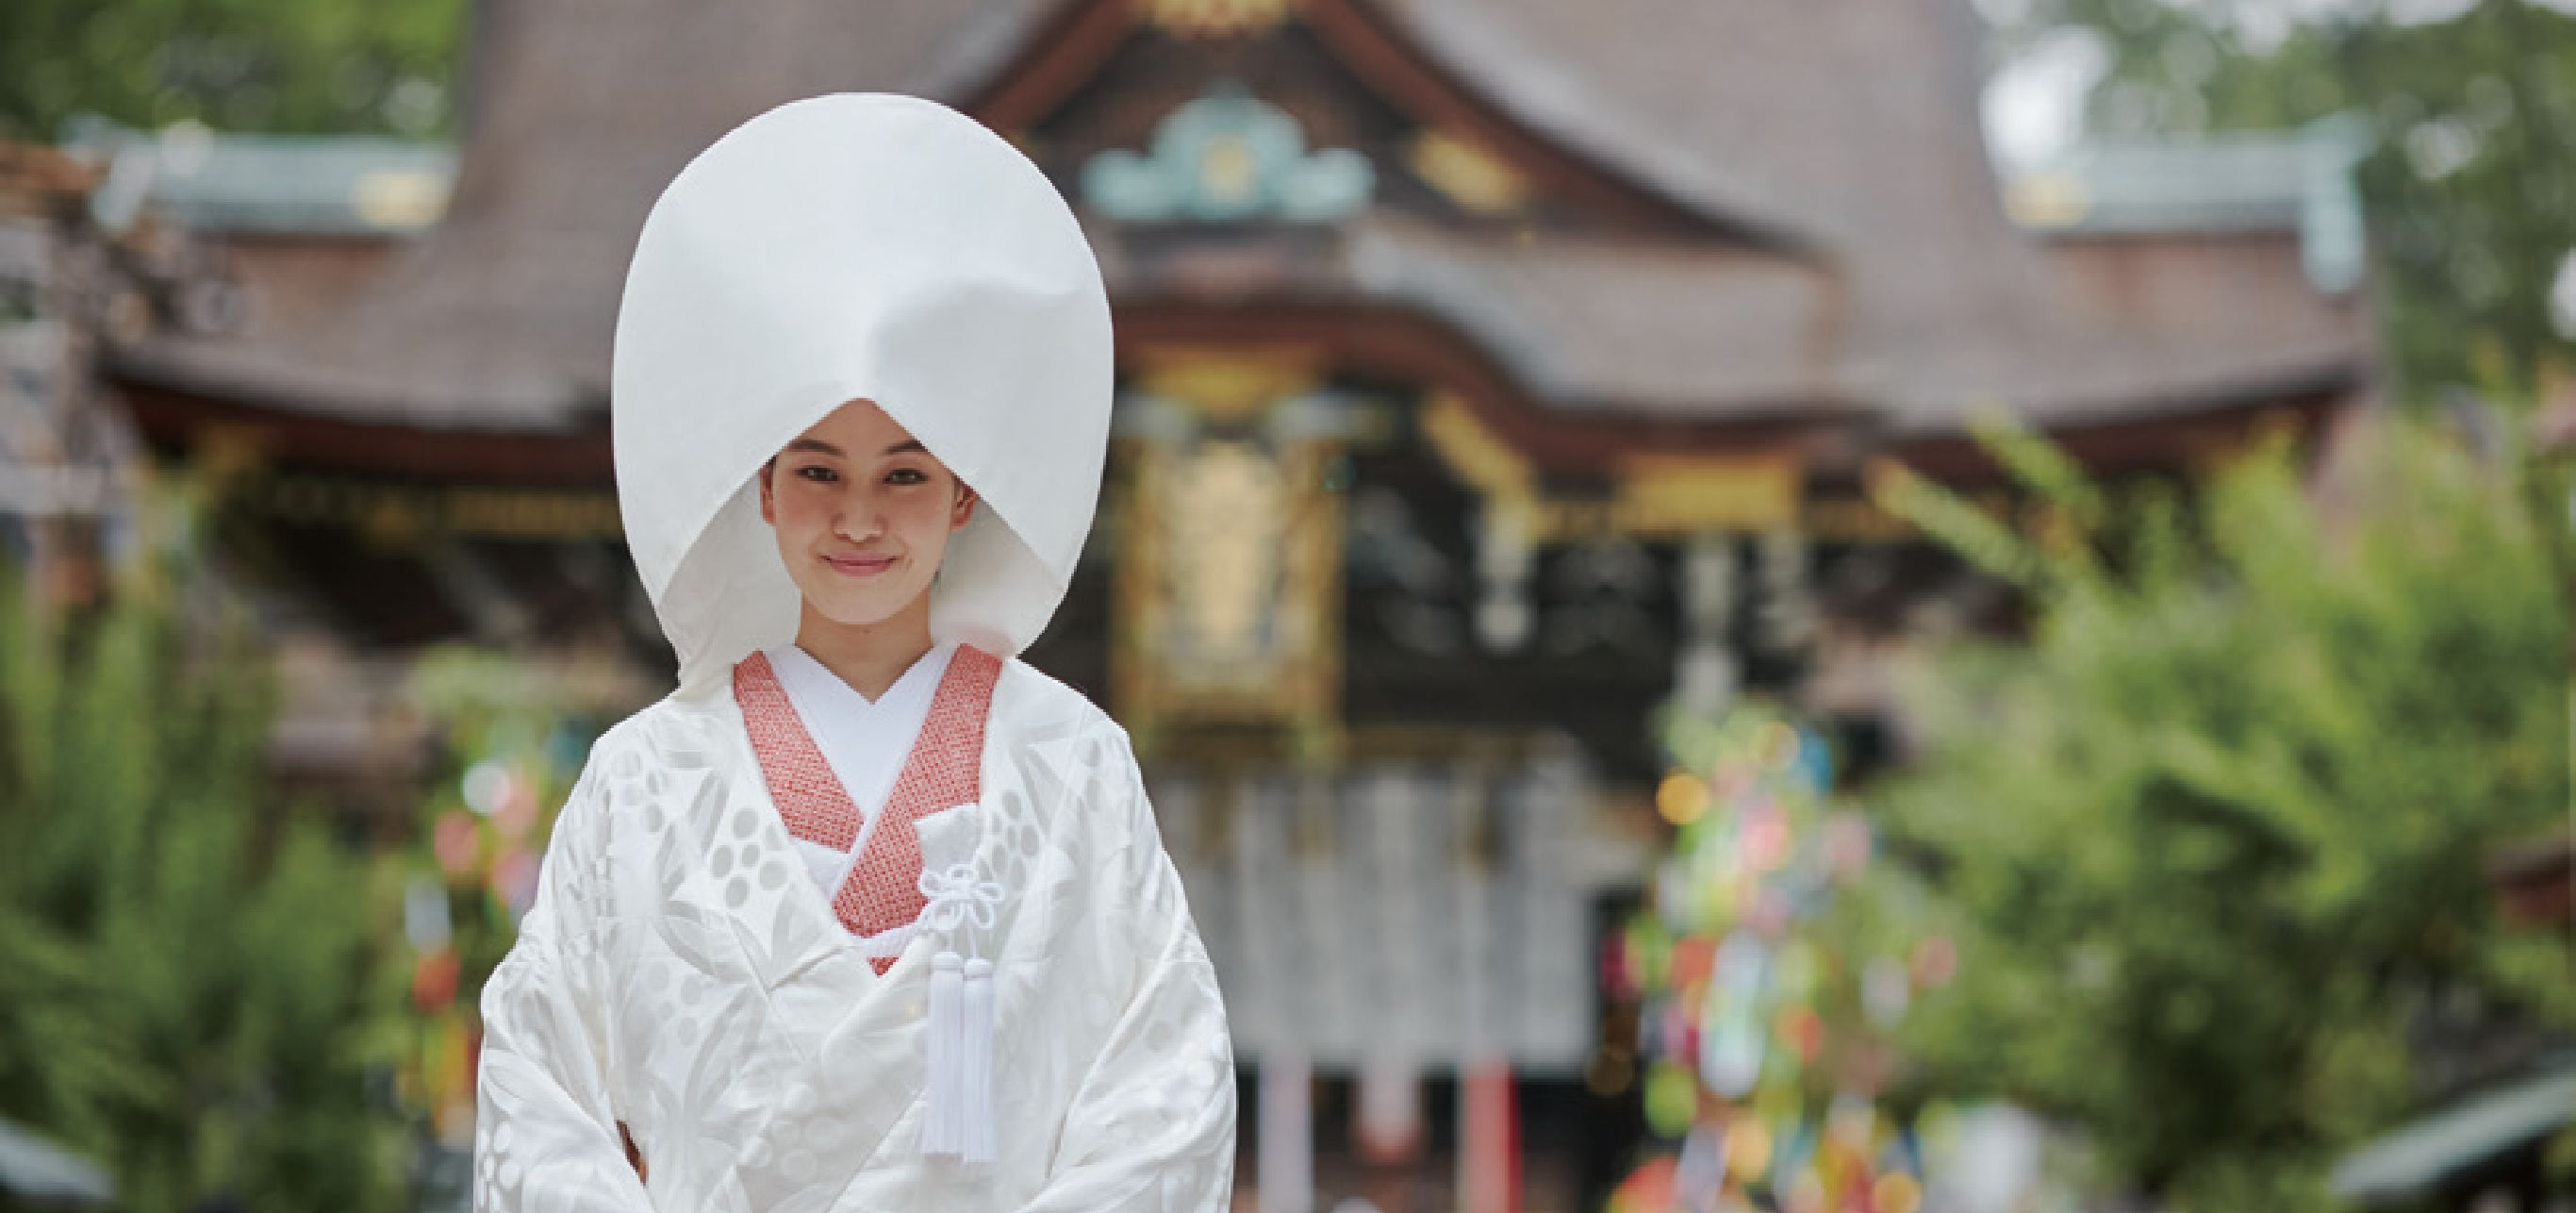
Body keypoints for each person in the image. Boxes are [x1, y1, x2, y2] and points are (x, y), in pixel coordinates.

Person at [471, 94, 1238, 1212]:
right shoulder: (644, 778)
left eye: (907, 473)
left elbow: (1165, 1088)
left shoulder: (1070, 764)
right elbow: (539, 1093)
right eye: (819, 470)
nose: (861, 517)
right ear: (764, 492)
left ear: (968, 489)